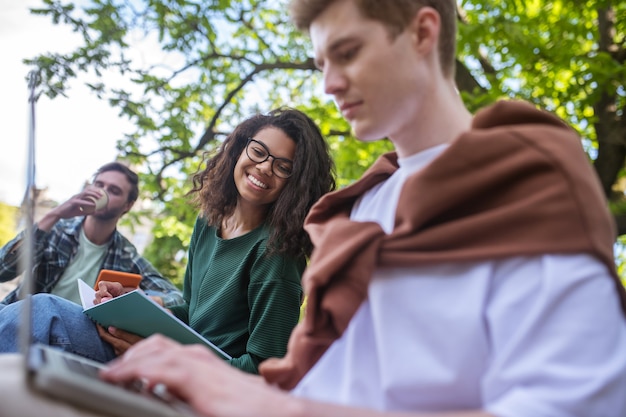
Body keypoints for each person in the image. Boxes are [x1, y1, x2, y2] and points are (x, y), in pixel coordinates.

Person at [1, 0, 626, 416]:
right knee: (28, 371)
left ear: (423, 32)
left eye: (347, 53)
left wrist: (257, 397)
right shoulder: (358, 210)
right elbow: (316, 377)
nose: (327, 81)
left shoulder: (528, 191)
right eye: (322, 60)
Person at [0, 107, 336, 374]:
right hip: (169, 356)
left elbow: (265, 370)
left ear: (296, 184)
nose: (264, 167)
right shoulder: (208, 223)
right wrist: (135, 305)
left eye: (283, 167)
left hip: (193, 379)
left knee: (46, 312)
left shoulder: (276, 254)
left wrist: (167, 358)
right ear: (239, 149)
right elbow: (191, 311)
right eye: (259, 151)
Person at [0, 161, 182, 307]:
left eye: (114, 190)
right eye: (99, 184)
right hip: (19, 323)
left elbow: (176, 297)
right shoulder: (55, 230)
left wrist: (150, 300)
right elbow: (3, 270)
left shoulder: (126, 255)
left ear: (128, 205)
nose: (102, 192)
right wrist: (54, 214)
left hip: (72, 340)